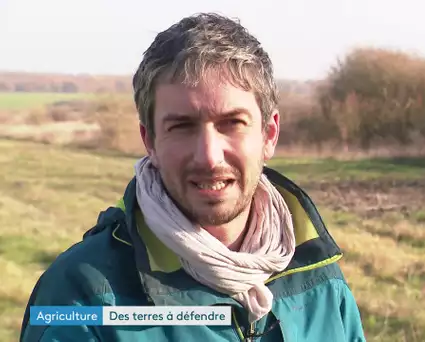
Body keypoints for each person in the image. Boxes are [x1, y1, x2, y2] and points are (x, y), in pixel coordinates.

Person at [19, 12, 365, 342]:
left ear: (269, 134)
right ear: (149, 140)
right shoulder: (81, 295)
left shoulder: (320, 280)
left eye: (232, 123)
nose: (209, 157)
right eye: (182, 127)